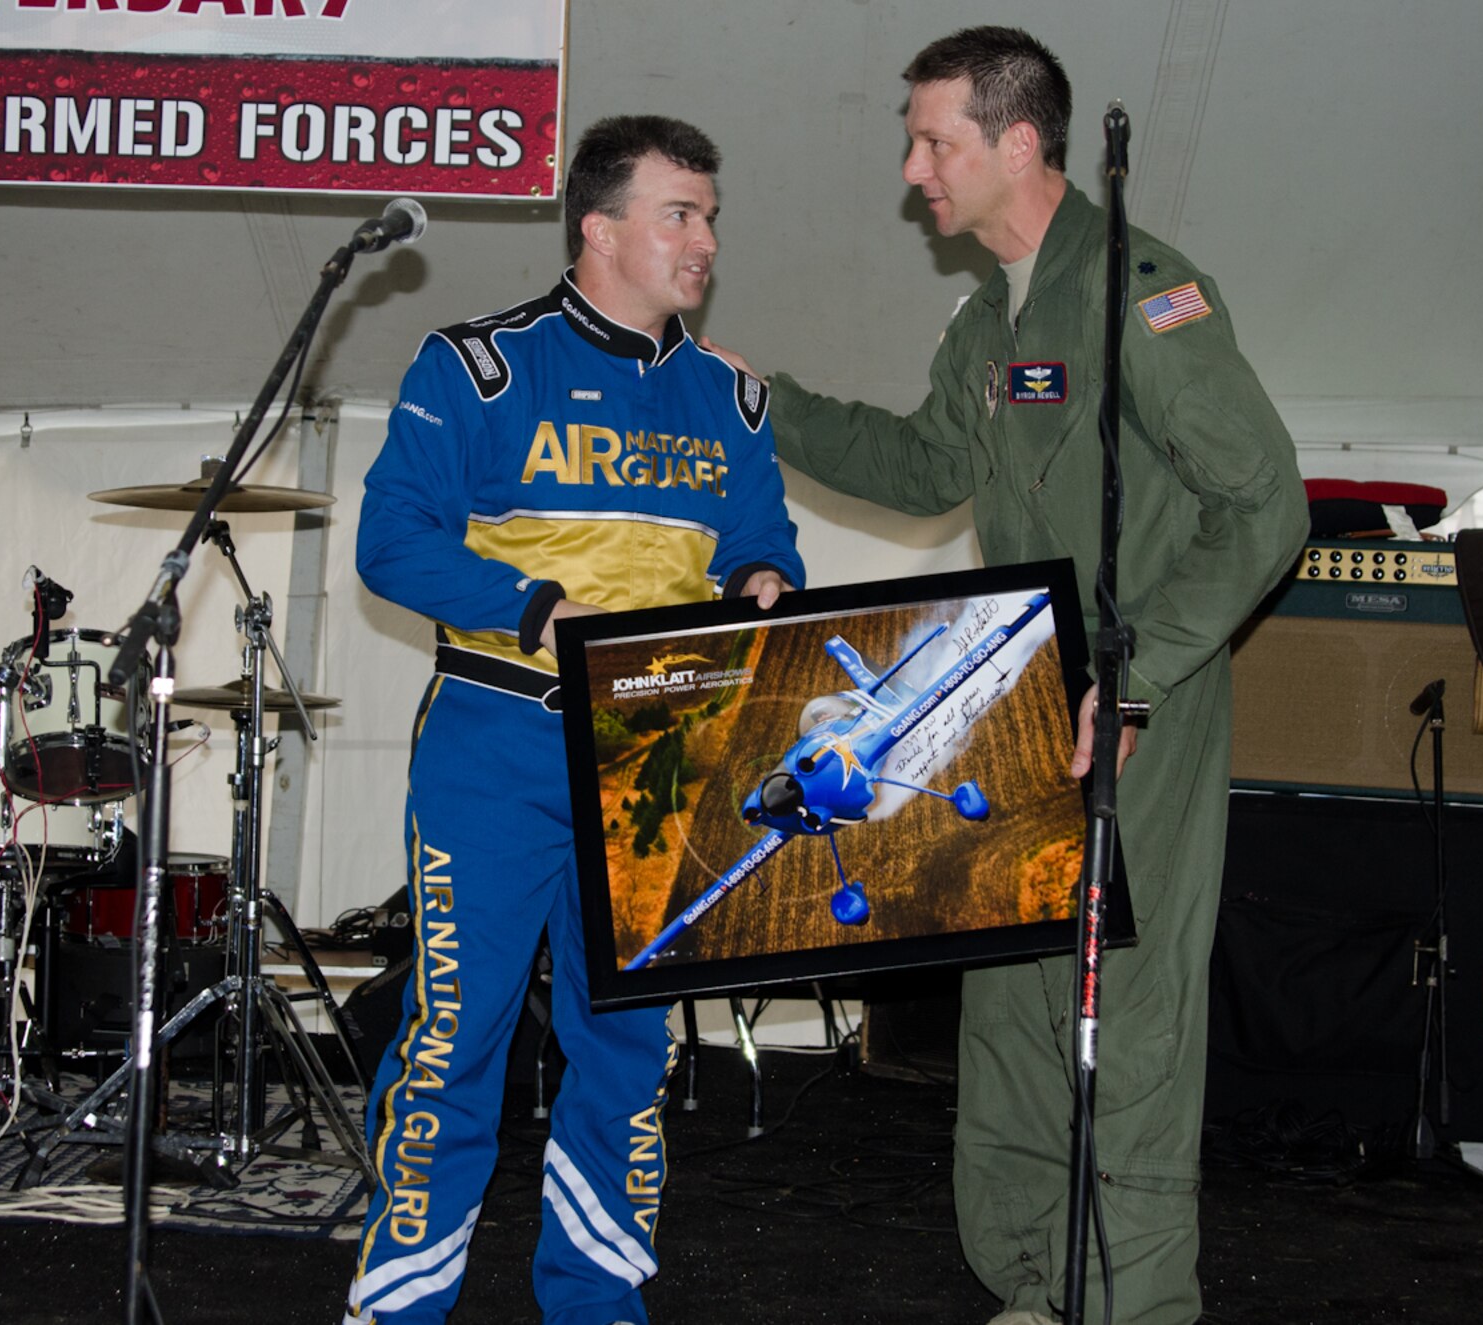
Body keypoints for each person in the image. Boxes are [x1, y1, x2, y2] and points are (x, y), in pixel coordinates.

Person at [705, 27, 1308, 1325]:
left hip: (1138, 704)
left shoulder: (1141, 295)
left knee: (1126, 1029)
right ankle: (1039, 1285)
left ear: (1018, 142)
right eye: (915, 141)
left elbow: (1264, 509)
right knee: (1018, 1019)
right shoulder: (990, 317)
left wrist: (1138, 678)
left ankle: (1134, 1307)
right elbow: (928, 468)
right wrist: (765, 404)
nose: (915, 169)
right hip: (1018, 690)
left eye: (936, 141)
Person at [344, 115, 804, 1325]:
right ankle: (395, 1307)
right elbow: (390, 543)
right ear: (599, 228)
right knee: (454, 1047)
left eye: (708, 215)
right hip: (498, 747)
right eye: (679, 214)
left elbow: (765, 545)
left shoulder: (732, 397)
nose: (703, 238)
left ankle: (598, 1301)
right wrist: (534, 606)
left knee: (625, 1059)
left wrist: (767, 584)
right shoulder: (475, 367)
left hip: (662, 757)